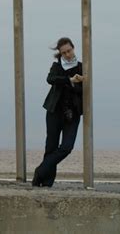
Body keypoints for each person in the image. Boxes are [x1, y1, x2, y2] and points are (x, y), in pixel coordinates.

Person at [32, 37, 83, 187]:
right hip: (54, 112)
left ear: (73, 48)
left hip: (72, 114)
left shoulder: (81, 67)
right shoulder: (57, 66)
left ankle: (40, 171)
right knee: (51, 147)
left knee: (67, 147)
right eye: (64, 52)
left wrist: (77, 83)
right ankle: (46, 183)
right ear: (60, 54)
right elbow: (51, 79)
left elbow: (83, 90)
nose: (67, 54)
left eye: (69, 50)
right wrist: (70, 80)